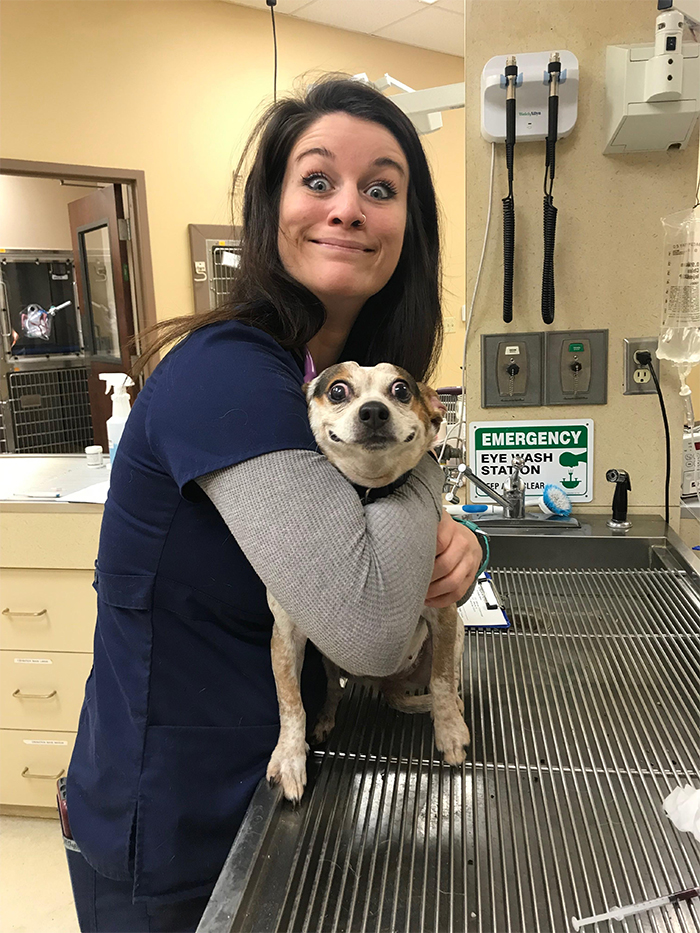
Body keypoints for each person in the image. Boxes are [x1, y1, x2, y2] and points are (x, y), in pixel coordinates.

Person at [63, 74, 488, 932]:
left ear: (409, 229)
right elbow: (369, 629)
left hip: (270, 791)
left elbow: (370, 542)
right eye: (318, 179)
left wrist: (461, 539)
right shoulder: (231, 373)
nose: (348, 209)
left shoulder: (314, 375)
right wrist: (424, 465)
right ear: (273, 207)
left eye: (381, 189)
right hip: (177, 824)